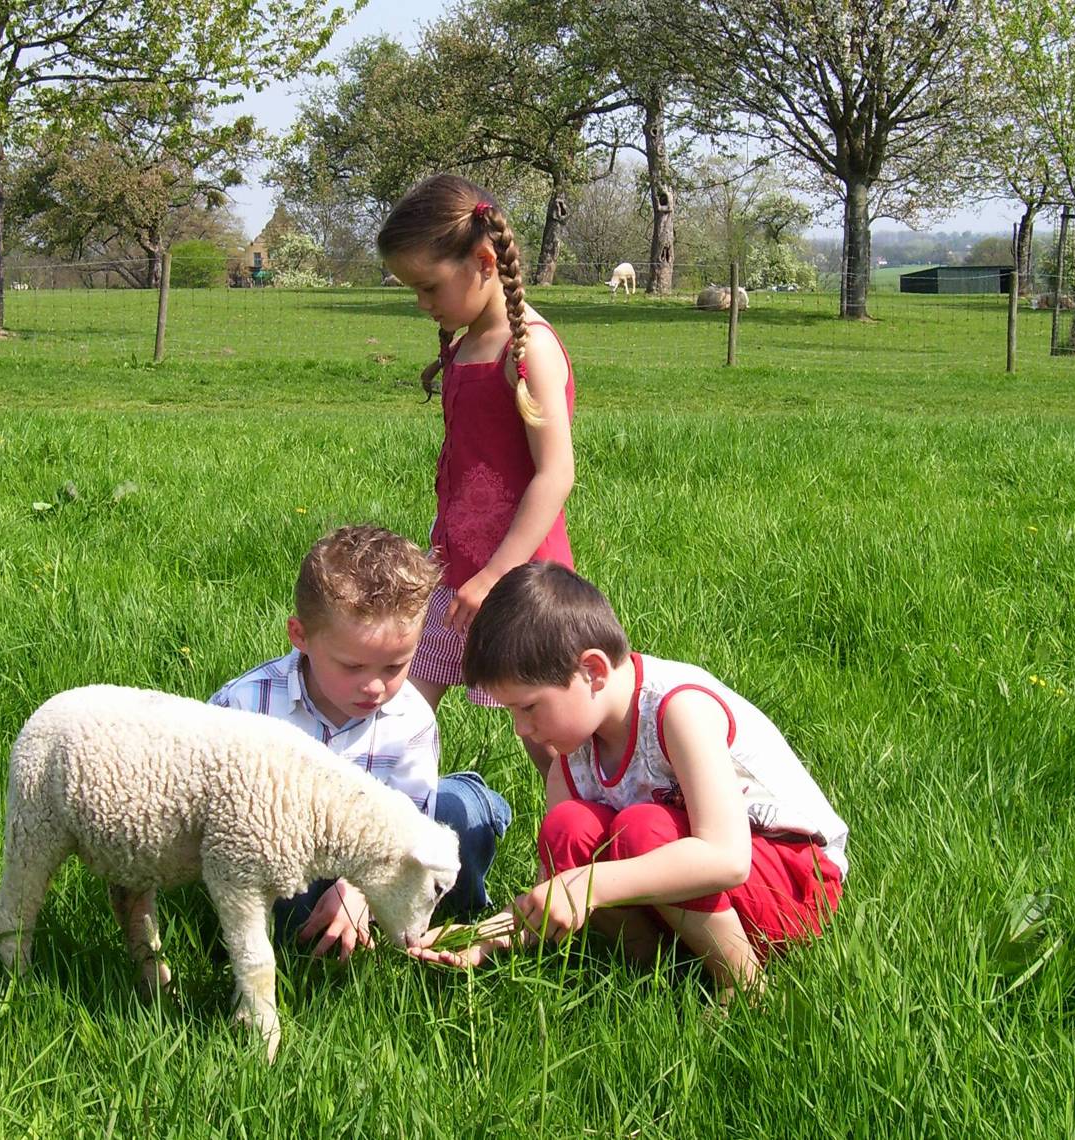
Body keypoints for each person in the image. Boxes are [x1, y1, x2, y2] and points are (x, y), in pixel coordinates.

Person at [411, 562, 848, 998]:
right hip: (699, 892)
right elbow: (557, 886)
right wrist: (485, 939)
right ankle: (654, 976)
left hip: (790, 880)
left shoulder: (678, 711)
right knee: (567, 827)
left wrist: (591, 884)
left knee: (642, 829)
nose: (521, 729)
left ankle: (743, 983)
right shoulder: (574, 748)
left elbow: (728, 858)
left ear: (593, 672)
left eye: (528, 707)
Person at [208, 525, 511, 959]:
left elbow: (409, 832)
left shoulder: (411, 719)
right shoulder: (246, 706)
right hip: (288, 855)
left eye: (395, 666)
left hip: (380, 854)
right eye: (352, 665)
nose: (374, 686)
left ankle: (477, 811)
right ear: (301, 636)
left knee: (453, 828)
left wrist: (361, 888)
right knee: (290, 915)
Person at [376, 174, 576, 777]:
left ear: (485, 261)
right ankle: (394, 832)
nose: (422, 304)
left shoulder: (528, 350)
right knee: (405, 713)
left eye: (429, 286)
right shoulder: (467, 345)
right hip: (453, 575)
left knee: (546, 736)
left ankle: (587, 851)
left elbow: (554, 474)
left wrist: (495, 573)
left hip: (517, 582)